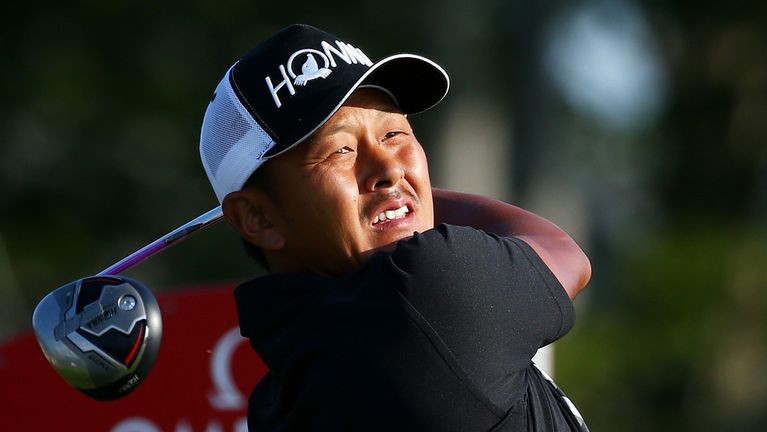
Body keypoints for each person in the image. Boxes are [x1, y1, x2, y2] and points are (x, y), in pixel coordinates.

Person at [199, 24, 591, 431]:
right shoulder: (425, 289)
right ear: (257, 218)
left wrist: (392, 196)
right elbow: (562, 251)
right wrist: (410, 192)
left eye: (393, 134)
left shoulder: (274, 403)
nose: (389, 167)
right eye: (340, 151)